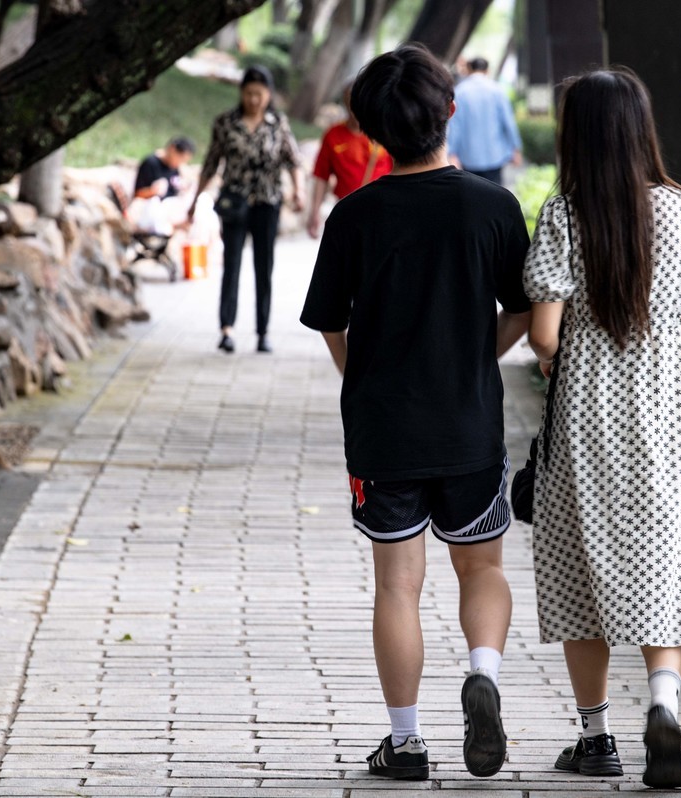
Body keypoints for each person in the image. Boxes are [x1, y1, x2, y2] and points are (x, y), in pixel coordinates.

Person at [300, 44, 531, 782]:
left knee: (397, 582)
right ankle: (485, 674)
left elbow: (331, 322)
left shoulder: (355, 215)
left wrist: (363, 375)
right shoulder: (494, 207)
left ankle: (404, 744)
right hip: (469, 426)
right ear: (451, 112)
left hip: (384, 431)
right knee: (483, 566)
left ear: (368, 131)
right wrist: (472, 357)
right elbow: (525, 311)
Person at [523, 67, 681, 789]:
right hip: (663, 416)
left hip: (586, 418)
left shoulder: (563, 215)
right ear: (642, 128)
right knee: (659, 560)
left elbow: (544, 335)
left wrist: (560, 353)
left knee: (582, 569)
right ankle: (665, 706)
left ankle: (596, 738)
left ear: (576, 135)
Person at [189, 65, 303, 355]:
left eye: (260, 94)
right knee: (232, 264)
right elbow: (211, 163)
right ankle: (226, 329)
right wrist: (195, 201)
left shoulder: (278, 123)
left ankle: (263, 331)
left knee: (264, 268)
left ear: (268, 95)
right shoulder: (225, 123)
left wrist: (298, 191)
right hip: (234, 203)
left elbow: (293, 160)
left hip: (268, 202)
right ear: (241, 92)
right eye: (249, 93)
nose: (254, 100)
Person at [307, 83, 394, 239]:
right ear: (345, 103)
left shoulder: (383, 132)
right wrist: (315, 212)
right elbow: (321, 175)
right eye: (350, 103)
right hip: (347, 209)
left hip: (382, 209)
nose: (354, 109)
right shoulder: (333, 135)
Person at [446, 57, 522, 184]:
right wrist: (516, 148)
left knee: (473, 195)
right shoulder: (497, 90)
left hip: (469, 156)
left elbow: (454, 126)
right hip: (495, 155)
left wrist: (452, 152)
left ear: (469, 69)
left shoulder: (460, 92)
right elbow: (508, 122)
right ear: (487, 70)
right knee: (496, 194)